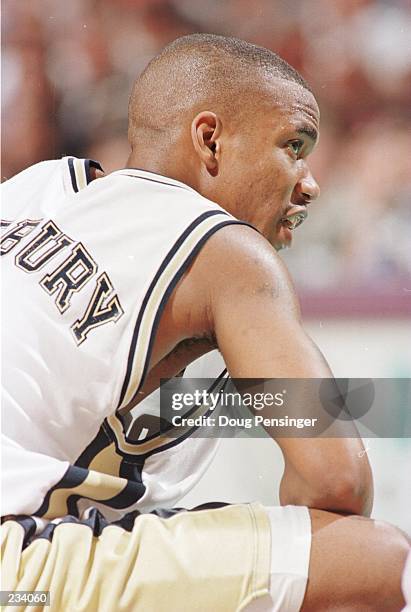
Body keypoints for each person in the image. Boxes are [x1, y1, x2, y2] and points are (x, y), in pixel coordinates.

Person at [1, 33, 409, 611]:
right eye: (294, 146)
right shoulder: (224, 249)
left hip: (25, 570)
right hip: (14, 572)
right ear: (210, 140)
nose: (311, 182)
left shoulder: (32, 192)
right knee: (374, 563)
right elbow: (337, 480)